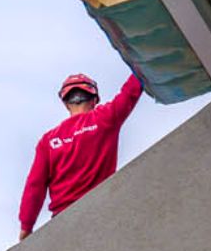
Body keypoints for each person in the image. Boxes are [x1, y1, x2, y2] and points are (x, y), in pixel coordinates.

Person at [18, 70, 145, 240]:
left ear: (66, 104)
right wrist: (141, 64)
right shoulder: (105, 118)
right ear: (94, 100)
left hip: (63, 222)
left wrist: (26, 227)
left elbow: (35, 185)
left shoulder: (48, 141)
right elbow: (130, 92)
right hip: (102, 212)